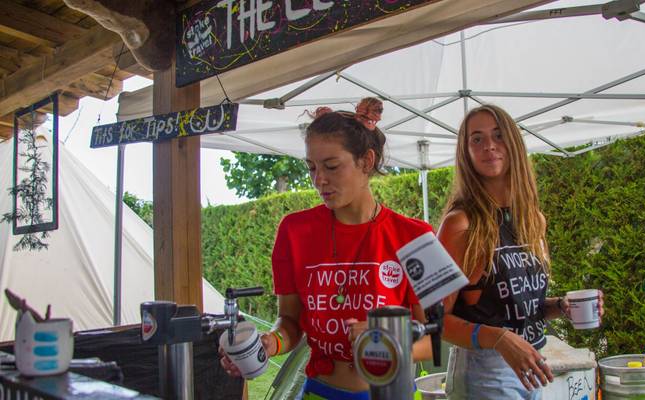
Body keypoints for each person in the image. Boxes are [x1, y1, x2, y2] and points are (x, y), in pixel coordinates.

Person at [220, 98, 433, 399]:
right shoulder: (294, 231)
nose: (319, 180)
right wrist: (270, 343)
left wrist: (387, 342)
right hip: (320, 390)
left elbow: (436, 335)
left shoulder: (417, 236)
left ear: (366, 161)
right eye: (311, 168)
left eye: (332, 166)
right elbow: (291, 323)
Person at [436, 104, 605, 400]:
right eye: (477, 139)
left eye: (498, 135)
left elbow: (518, 307)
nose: (489, 145)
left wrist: (560, 307)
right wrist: (499, 339)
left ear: (513, 143)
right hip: (485, 372)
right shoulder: (461, 224)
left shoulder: (532, 219)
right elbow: (433, 320)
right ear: (466, 153)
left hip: (532, 365)